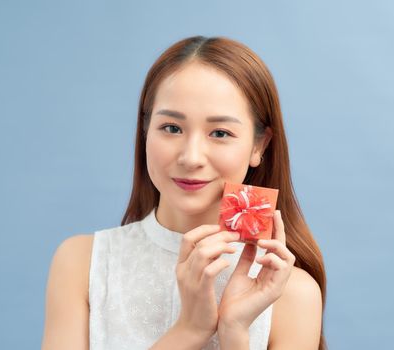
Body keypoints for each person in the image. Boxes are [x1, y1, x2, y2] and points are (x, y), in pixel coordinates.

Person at [41, 35, 327, 350]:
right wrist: (190, 330)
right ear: (145, 130)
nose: (191, 158)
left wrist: (234, 333)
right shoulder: (83, 263)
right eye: (172, 128)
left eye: (220, 133)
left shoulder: (290, 293)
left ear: (259, 145)